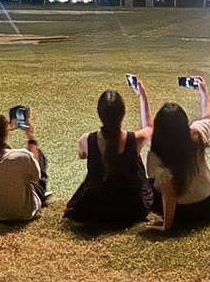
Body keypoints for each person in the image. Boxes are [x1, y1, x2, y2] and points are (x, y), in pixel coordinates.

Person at [64, 82, 151, 226]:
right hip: (129, 208)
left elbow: (82, 155)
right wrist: (142, 95)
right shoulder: (135, 139)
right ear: (123, 113)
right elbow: (149, 126)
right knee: (137, 158)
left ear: (99, 113)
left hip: (96, 206)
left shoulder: (86, 139)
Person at [145, 76, 210, 232]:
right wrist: (204, 92)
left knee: (148, 186)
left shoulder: (156, 153)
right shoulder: (197, 134)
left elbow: (169, 194)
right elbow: (208, 116)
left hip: (185, 214)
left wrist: (165, 227)